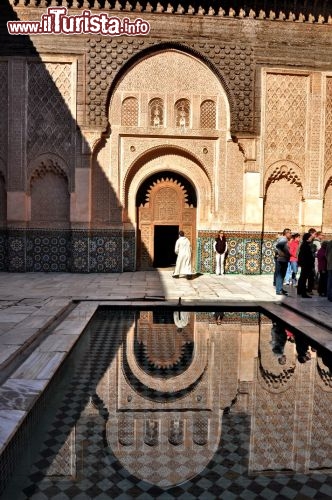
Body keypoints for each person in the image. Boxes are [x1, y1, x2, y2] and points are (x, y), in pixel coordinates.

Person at [297, 232, 315, 298]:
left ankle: (299, 291)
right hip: (306, 265)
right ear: (307, 238)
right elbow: (306, 256)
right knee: (304, 279)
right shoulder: (306, 245)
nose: (311, 238)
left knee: (302, 277)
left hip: (305, 264)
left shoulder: (304, 244)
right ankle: (303, 293)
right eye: (310, 237)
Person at [275, 228, 292, 296]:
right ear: (286, 233)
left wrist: (278, 252)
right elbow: (278, 246)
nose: (291, 234)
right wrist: (286, 253)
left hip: (282, 259)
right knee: (280, 275)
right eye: (290, 233)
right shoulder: (283, 239)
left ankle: (280, 289)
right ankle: (279, 290)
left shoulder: (282, 239)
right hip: (282, 259)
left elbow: (276, 247)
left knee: (281, 275)